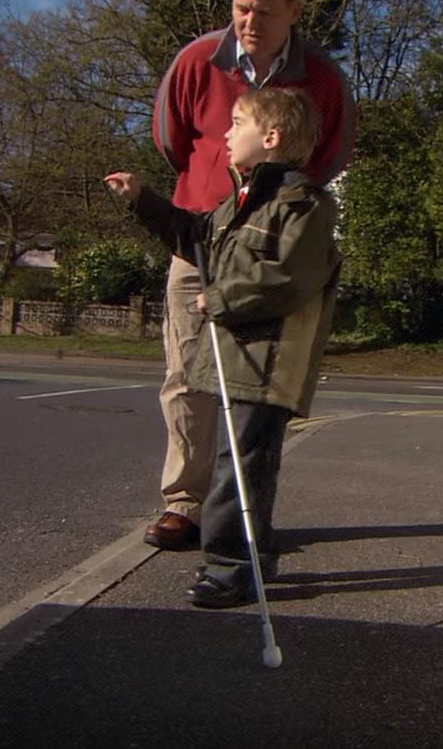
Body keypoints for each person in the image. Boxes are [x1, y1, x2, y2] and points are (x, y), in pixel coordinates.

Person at [144, 0, 355, 552]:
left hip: (269, 253)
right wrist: (214, 202)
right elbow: (171, 140)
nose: (249, 22)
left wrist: (274, 212)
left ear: (294, 11)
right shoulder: (196, 62)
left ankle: (235, 520)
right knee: (185, 376)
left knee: (255, 391)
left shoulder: (322, 79)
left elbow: (330, 154)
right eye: (240, 8)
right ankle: (184, 504)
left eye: (264, 12)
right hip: (201, 242)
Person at [105, 87, 341, 606]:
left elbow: (290, 277)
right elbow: (196, 238)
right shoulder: (240, 203)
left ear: (271, 137)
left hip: (269, 362)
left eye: (237, 123)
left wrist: (219, 297)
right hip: (238, 357)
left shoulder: (304, 205)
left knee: (240, 467)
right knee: (239, 463)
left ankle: (231, 567)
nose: (226, 133)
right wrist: (143, 200)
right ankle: (253, 557)